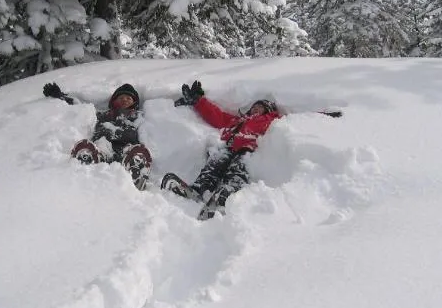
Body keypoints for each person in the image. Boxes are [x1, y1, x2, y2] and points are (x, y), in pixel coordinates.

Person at [162, 80, 282, 218]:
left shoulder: (269, 120)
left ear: (268, 110)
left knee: (238, 169)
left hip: (247, 149)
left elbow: (287, 121)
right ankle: (200, 187)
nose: (256, 108)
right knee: (215, 162)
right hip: (228, 147)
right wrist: (198, 101)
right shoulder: (237, 120)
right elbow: (217, 116)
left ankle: (227, 193)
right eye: (255, 106)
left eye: (261, 107)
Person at [43, 82, 152, 190]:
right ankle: (88, 165)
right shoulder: (102, 114)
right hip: (102, 150)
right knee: (97, 145)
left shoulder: (138, 117)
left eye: (129, 98)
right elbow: (81, 108)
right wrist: (60, 96)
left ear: (134, 102)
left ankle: (135, 174)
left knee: (136, 153)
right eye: (121, 97)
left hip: (127, 152)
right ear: (113, 101)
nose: (124, 100)